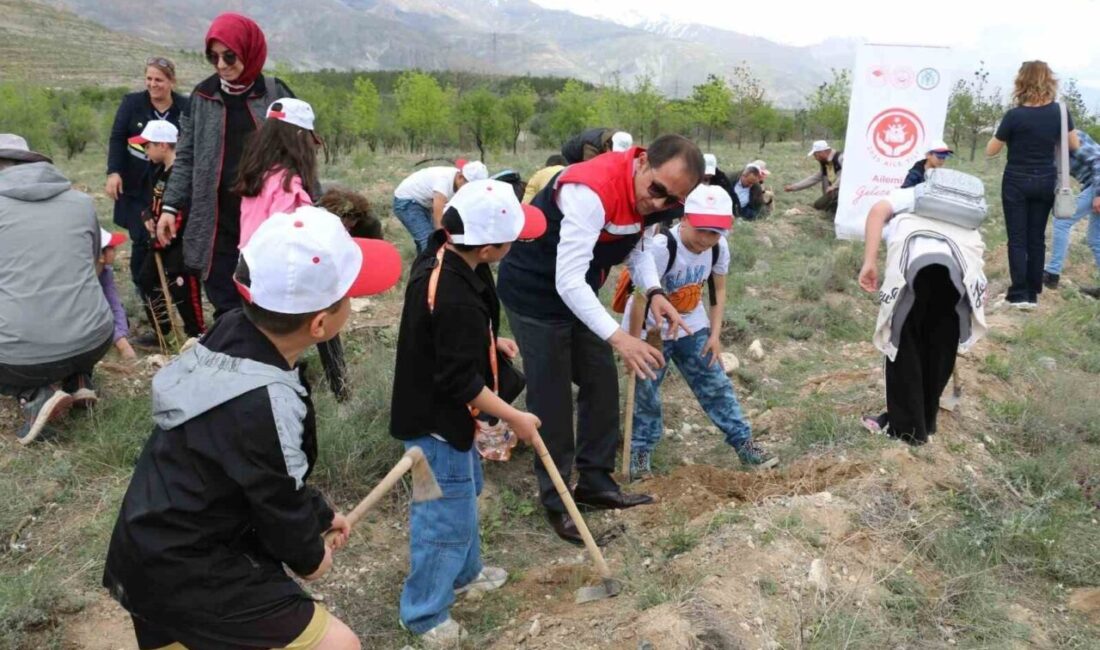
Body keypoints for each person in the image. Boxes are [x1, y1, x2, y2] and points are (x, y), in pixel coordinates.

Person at [102, 207, 403, 650]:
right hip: (192, 569)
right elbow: (276, 495)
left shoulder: (233, 331)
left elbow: (259, 469)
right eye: (350, 298)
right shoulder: (265, 401)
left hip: (147, 548)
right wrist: (310, 556)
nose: (354, 307)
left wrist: (318, 515)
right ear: (320, 325)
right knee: (338, 645)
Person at [497, 134, 704, 544]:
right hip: (535, 293)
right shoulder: (588, 190)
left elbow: (636, 248)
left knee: (601, 383)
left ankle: (594, 483)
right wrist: (620, 338)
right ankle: (558, 505)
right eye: (657, 190)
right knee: (551, 399)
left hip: (577, 295)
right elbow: (567, 279)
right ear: (641, 162)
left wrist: (655, 292)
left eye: (672, 202)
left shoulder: (654, 198)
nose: (659, 204)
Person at [390, 179, 547, 647]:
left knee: (465, 494)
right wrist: (514, 417)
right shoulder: (453, 290)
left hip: (447, 418)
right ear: (490, 245)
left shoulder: (452, 255)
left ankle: (466, 574)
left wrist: (487, 341)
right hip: (434, 424)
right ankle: (424, 614)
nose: (514, 246)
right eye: (511, 241)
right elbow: (461, 382)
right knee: (443, 518)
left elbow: (445, 337)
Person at [622, 185, 776, 480]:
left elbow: (718, 291)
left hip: (693, 326)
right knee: (647, 395)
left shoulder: (719, 247)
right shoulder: (661, 248)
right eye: (703, 230)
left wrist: (715, 336)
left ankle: (744, 444)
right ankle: (640, 452)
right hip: (651, 331)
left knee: (716, 384)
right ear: (685, 219)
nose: (707, 240)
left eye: (716, 233)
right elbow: (640, 298)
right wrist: (631, 344)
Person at [157, 12, 295, 319]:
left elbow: (299, 155)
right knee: (225, 298)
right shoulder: (203, 96)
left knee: (267, 293)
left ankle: (275, 361)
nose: (221, 65)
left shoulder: (274, 94)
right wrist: (170, 206)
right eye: (213, 57)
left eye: (229, 56)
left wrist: (314, 209)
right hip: (216, 218)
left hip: (265, 218)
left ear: (249, 50)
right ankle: (237, 356)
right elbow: (187, 156)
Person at [858, 173, 989, 445]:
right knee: (941, 346)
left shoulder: (913, 194)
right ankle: (925, 422)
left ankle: (906, 431)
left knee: (904, 344)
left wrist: (869, 262)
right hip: (959, 274)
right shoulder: (966, 212)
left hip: (916, 270)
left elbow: (876, 212)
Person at [0, 134, 113, 445]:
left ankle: (37, 393)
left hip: (22, 357)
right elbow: (93, 264)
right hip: (95, 340)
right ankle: (77, 377)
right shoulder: (81, 201)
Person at [986, 60, 1080, 309]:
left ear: (1021, 81)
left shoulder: (1014, 115)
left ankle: (1018, 295)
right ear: (1049, 80)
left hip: (1016, 180)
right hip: (1046, 180)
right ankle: (1033, 293)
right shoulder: (1060, 112)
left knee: (1017, 239)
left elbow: (991, 151)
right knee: (1036, 238)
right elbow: (1074, 145)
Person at [105, 57, 187, 294]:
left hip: (172, 184)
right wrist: (114, 171)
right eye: (149, 79)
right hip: (137, 185)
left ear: (171, 81)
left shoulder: (185, 107)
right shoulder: (132, 103)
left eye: (159, 80)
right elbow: (117, 138)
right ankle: (148, 295)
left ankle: (172, 291)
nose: (152, 84)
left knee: (171, 240)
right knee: (142, 239)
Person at [130, 120, 206, 343]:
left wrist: (162, 238)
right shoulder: (160, 172)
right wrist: (147, 215)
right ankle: (162, 332)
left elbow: (182, 211)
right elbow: (156, 203)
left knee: (184, 290)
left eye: (147, 145)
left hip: (181, 245)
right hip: (160, 242)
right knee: (146, 280)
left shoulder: (182, 175)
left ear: (163, 145)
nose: (145, 150)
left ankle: (198, 336)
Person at [237, 98, 320, 248]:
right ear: (300, 136)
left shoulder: (257, 176)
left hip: (247, 262)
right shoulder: (289, 187)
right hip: (274, 267)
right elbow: (288, 242)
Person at [1043, 129, 1100, 298]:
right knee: (1095, 239)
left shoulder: (1069, 136)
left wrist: (1099, 194)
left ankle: (1052, 274)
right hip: (1091, 185)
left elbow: (1098, 161)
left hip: (1096, 185)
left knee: (1062, 220)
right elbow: (1055, 178)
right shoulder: (1049, 146)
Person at [392, 161, 489, 253]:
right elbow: (438, 216)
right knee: (429, 239)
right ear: (460, 177)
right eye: (469, 186)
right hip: (407, 202)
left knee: (428, 239)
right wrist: (443, 233)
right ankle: (430, 268)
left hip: (423, 203)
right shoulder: (444, 181)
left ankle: (422, 266)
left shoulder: (459, 184)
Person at [97, 229, 137, 362]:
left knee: (122, 317)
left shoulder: (105, 272)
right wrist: (121, 343)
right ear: (100, 256)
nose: (116, 251)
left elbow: (114, 305)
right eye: (112, 248)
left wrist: (121, 336)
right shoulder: (83, 279)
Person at [785, 140, 843, 213]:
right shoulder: (825, 162)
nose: (815, 158)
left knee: (820, 206)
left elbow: (847, 175)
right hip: (831, 193)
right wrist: (794, 187)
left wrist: (834, 186)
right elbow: (816, 177)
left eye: (816, 155)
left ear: (823, 152)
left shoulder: (840, 158)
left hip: (843, 192)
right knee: (818, 206)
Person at [318, 187, 383, 240]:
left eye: (355, 218)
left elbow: (378, 250)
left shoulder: (370, 225)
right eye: (345, 217)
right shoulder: (316, 219)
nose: (353, 224)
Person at [560, 128, 632, 164]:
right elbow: (590, 169)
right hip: (570, 156)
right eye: (615, 152)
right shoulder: (591, 147)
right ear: (607, 146)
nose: (617, 155)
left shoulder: (620, 136)